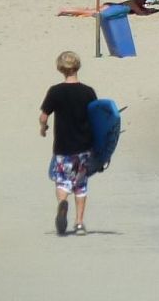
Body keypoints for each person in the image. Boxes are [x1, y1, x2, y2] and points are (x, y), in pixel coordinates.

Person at [40, 51, 97, 236]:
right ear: (77, 67)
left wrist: (43, 127)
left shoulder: (55, 91)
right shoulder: (88, 92)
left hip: (63, 147)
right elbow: (97, 117)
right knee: (80, 185)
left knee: (63, 182)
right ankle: (79, 223)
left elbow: (43, 116)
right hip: (84, 147)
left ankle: (62, 203)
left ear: (60, 69)